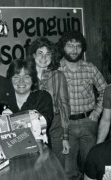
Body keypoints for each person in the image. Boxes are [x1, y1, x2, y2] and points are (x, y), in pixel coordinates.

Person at [57, 30, 107, 180]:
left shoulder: (90, 68)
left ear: (82, 49)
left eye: (78, 46)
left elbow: (105, 91)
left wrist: (96, 114)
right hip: (66, 127)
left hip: (88, 124)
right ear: (63, 47)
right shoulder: (56, 70)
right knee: (68, 171)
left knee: (91, 167)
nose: (74, 50)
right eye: (70, 45)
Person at [27, 37, 71, 167]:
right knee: (36, 166)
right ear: (34, 55)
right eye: (40, 53)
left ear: (52, 57)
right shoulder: (26, 75)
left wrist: (65, 137)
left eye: (48, 54)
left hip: (55, 126)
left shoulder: (58, 76)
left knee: (58, 167)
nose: (44, 57)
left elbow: (64, 107)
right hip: (30, 126)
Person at [6, 59, 54, 135]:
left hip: (38, 145)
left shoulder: (43, 97)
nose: (21, 81)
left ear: (33, 79)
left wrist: (8, 121)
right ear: (10, 79)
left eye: (26, 77)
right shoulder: (3, 100)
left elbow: (42, 124)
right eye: (16, 77)